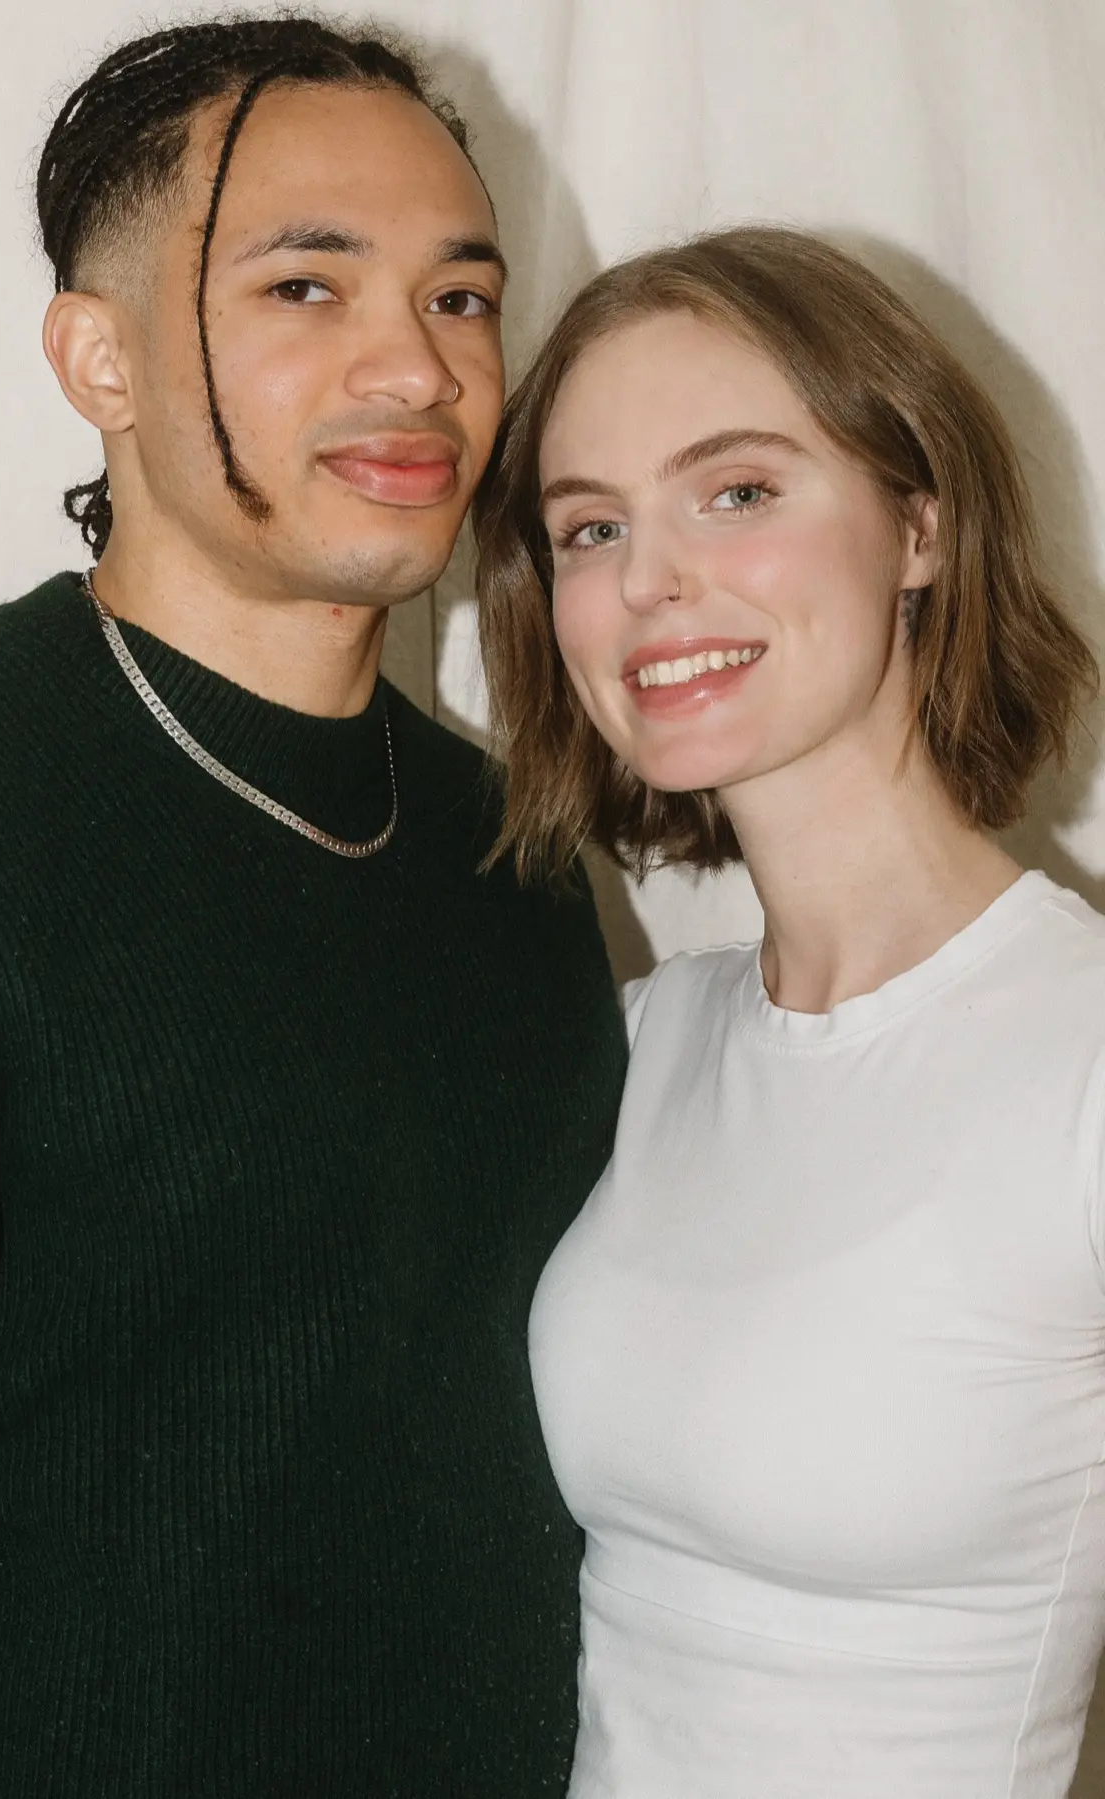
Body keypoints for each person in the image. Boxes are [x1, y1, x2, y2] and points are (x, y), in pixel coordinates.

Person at [0, 17, 627, 1797]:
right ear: (103, 360)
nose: (420, 367)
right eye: (309, 288)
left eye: (464, 299)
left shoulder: (514, 849)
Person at [474, 224, 1105, 1798]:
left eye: (737, 490)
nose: (651, 582)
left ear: (920, 525)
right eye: (589, 527)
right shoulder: (641, 1039)